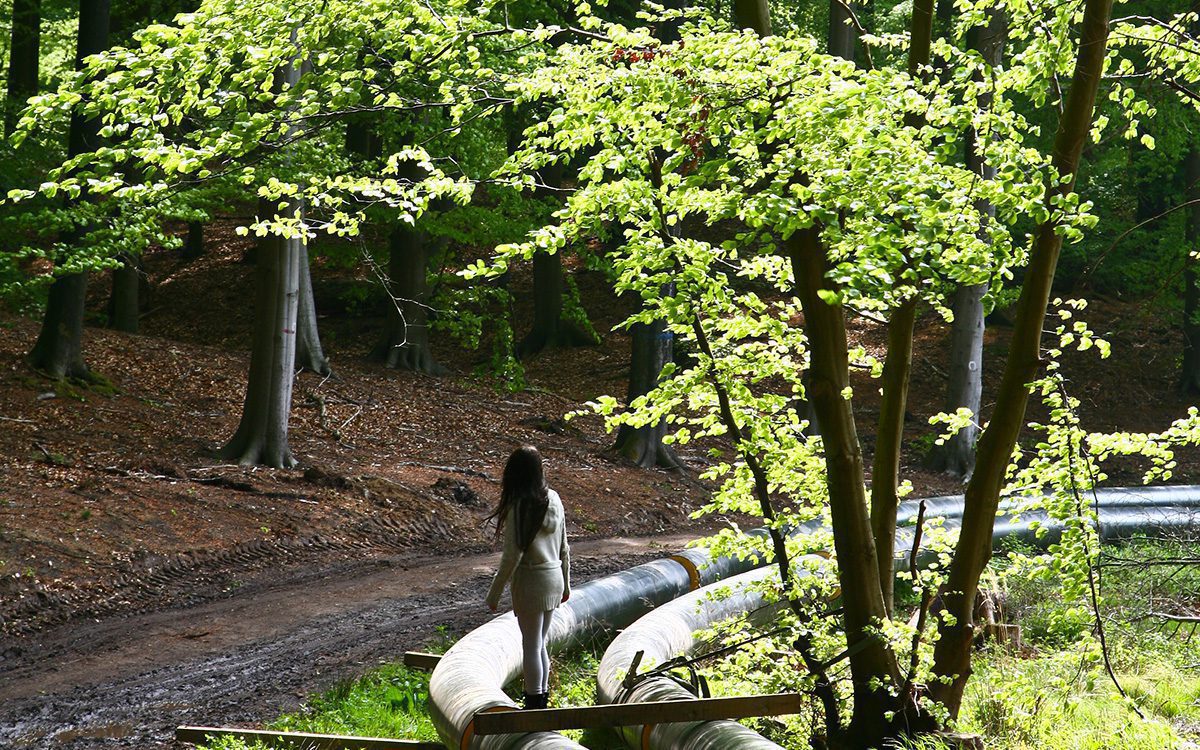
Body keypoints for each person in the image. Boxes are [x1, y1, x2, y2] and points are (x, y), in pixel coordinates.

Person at [485, 445, 571, 710]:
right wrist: (566, 584)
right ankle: (540, 700)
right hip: (554, 578)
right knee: (540, 644)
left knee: (531, 646)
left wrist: (494, 592)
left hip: (532, 582)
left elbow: (512, 556)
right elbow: (565, 548)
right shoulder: (554, 499)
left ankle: (534, 706)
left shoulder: (519, 504)